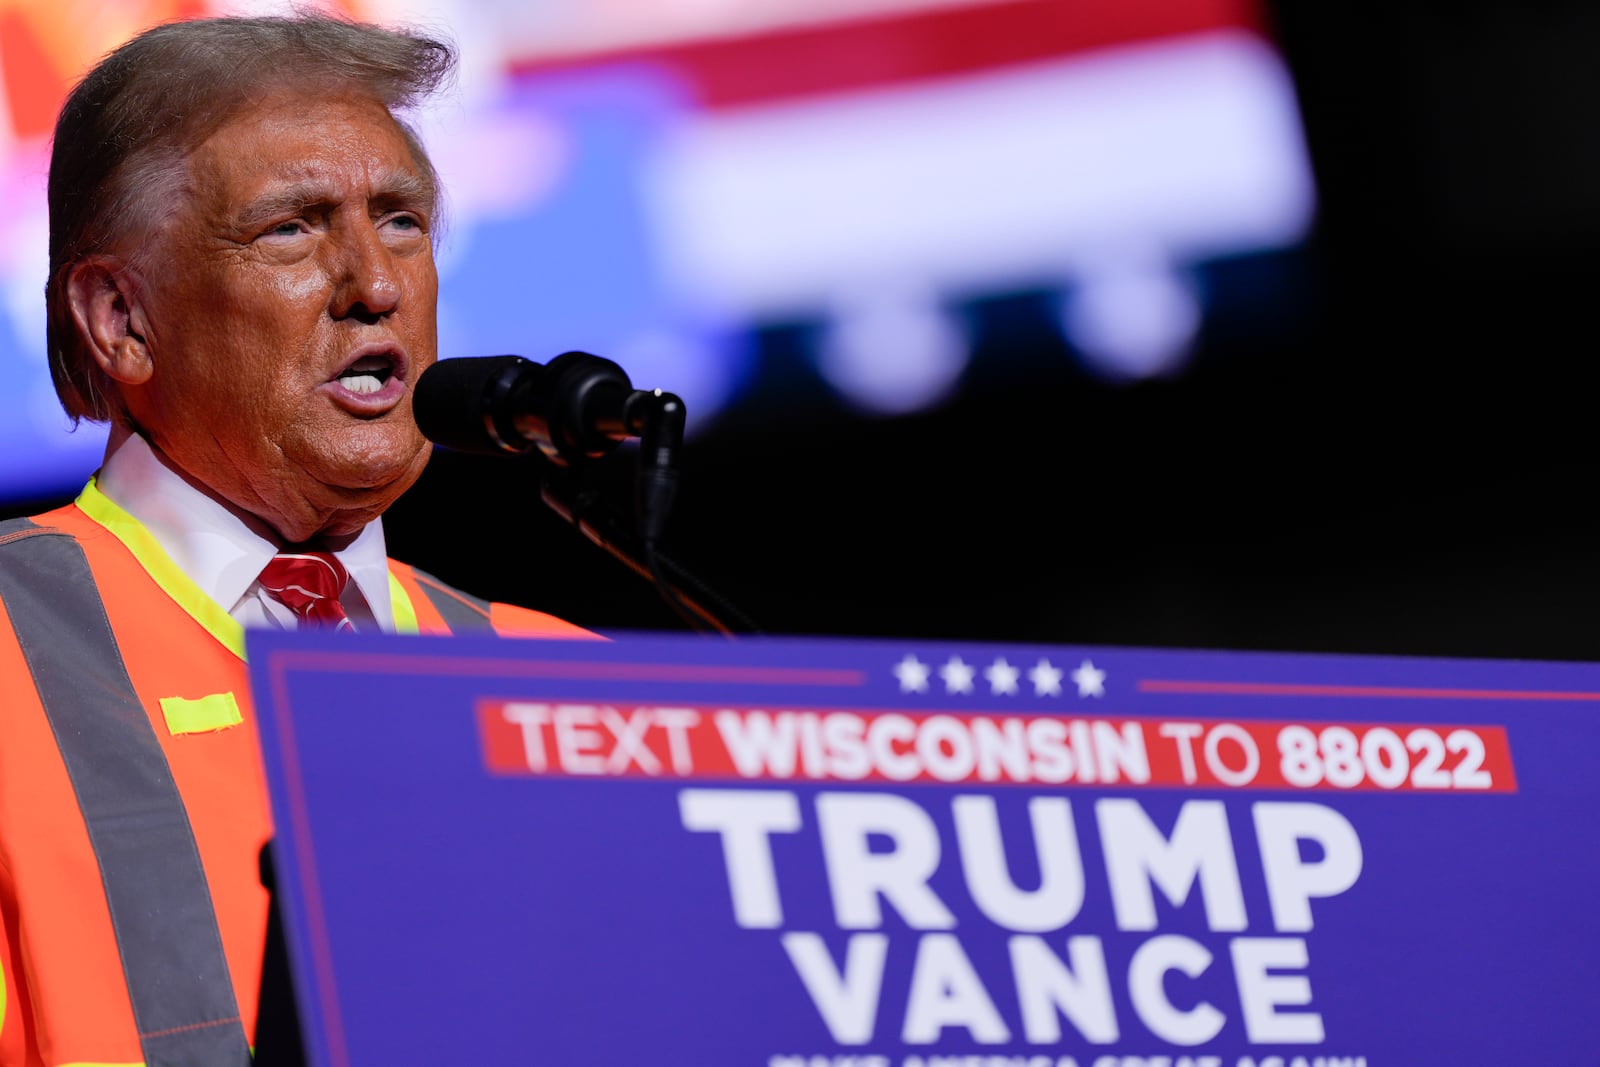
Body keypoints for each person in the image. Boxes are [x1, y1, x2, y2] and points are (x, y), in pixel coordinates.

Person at [0, 13, 595, 1066]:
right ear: (120, 318)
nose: (375, 283)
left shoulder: (566, 685)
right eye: (292, 228)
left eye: (403, 220)